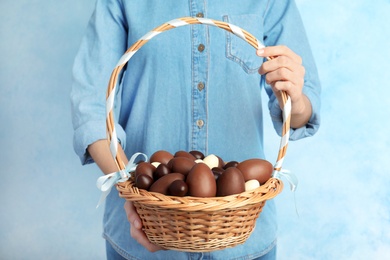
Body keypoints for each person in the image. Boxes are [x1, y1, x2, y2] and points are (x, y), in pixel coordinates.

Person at [70, 0, 321, 259]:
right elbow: (92, 109)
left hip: (244, 237)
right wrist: (133, 194)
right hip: (141, 235)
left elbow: (302, 113)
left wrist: (293, 98)